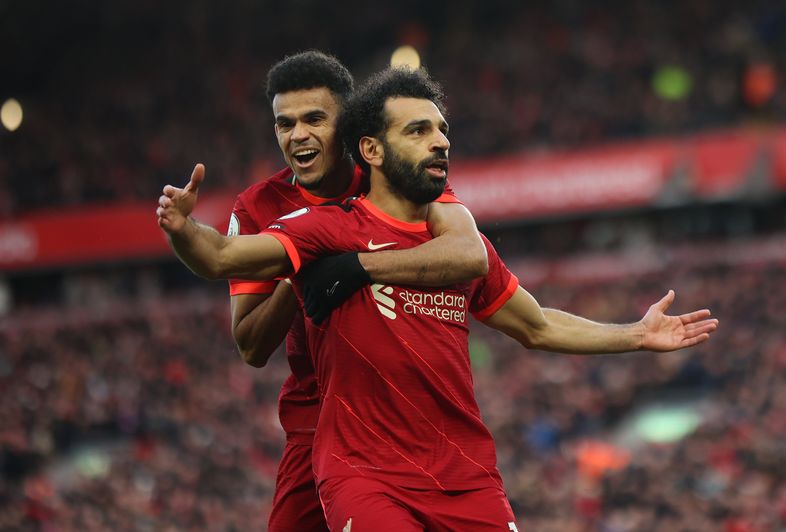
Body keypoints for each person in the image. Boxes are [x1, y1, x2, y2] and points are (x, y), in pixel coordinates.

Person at [157, 67, 718, 531]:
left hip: (464, 471)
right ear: (372, 148)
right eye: (420, 131)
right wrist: (183, 229)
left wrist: (636, 335)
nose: (441, 141)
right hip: (364, 469)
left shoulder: (455, 235)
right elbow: (221, 260)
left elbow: (538, 325)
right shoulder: (321, 226)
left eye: (441, 130)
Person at [167, 51, 489, 532]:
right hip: (314, 422)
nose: (298, 135)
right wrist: (303, 267)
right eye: (284, 124)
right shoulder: (259, 206)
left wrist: (356, 264)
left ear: (350, 125)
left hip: (402, 418)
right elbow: (251, 344)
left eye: (315, 118)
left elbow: (469, 254)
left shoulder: (393, 173)